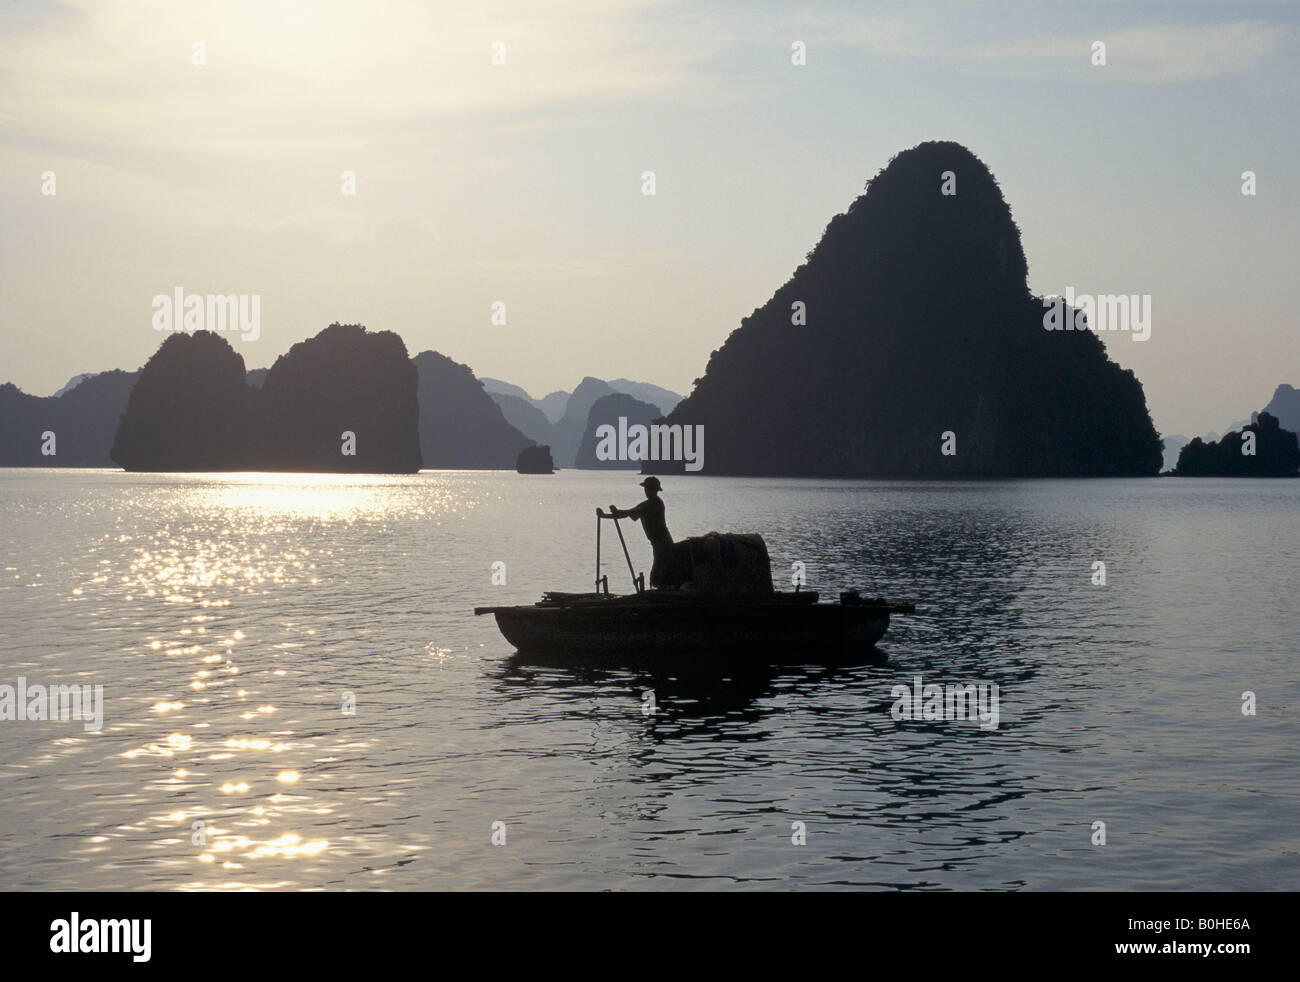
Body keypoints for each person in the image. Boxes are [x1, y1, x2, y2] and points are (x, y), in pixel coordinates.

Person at [608, 476, 677, 589]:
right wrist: (608, 515)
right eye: (646, 489)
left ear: (654, 490)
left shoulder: (655, 504)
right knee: (657, 574)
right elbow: (629, 513)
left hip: (664, 545)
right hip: (658, 545)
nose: (646, 491)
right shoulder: (646, 504)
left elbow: (629, 513)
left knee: (657, 576)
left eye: (649, 489)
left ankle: (657, 597)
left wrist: (616, 512)